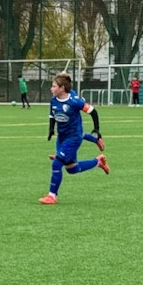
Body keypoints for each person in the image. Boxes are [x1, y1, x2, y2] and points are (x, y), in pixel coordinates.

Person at [39, 73, 108, 205]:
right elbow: (52, 116)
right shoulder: (53, 100)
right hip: (62, 138)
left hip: (74, 138)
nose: (51, 89)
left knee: (57, 164)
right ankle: (98, 162)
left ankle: (52, 196)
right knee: (72, 169)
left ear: (62, 88)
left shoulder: (75, 102)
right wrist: (51, 130)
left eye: (53, 86)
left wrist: (97, 129)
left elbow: (93, 111)